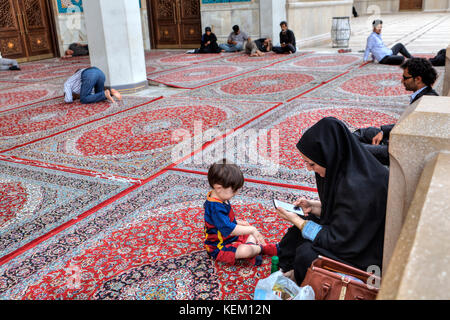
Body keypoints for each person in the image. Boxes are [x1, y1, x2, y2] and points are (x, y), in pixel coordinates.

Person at [275, 117, 389, 285]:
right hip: (352, 235)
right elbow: (344, 213)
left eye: (312, 164)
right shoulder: (351, 166)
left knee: (306, 254)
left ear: (329, 156)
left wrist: (297, 220)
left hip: (365, 255)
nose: (309, 169)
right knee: (304, 226)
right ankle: (289, 270)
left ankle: (300, 276)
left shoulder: (359, 186)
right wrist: (313, 206)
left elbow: (338, 239)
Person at [354, 57, 439, 166]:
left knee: (356, 148)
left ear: (418, 79)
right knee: (363, 133)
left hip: (400, 150)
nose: (402, 81)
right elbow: (408, 123)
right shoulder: (424, 94)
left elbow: (412, 131)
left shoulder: (427, 101)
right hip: (397, 138)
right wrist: (383, 131)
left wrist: (388, 137)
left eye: (405, 78)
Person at [204, 159, 277, 266]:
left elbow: (219, 222)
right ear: (218, 187)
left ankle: (252, 248)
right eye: (233, 190)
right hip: (219, 247)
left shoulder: (218, 197)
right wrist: (252, 230)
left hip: (229, 237)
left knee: (247, 229)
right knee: (246, 247)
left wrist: (237, 222)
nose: (236, 193)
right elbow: (229, 229)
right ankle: (261, 249)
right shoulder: (215, 207)